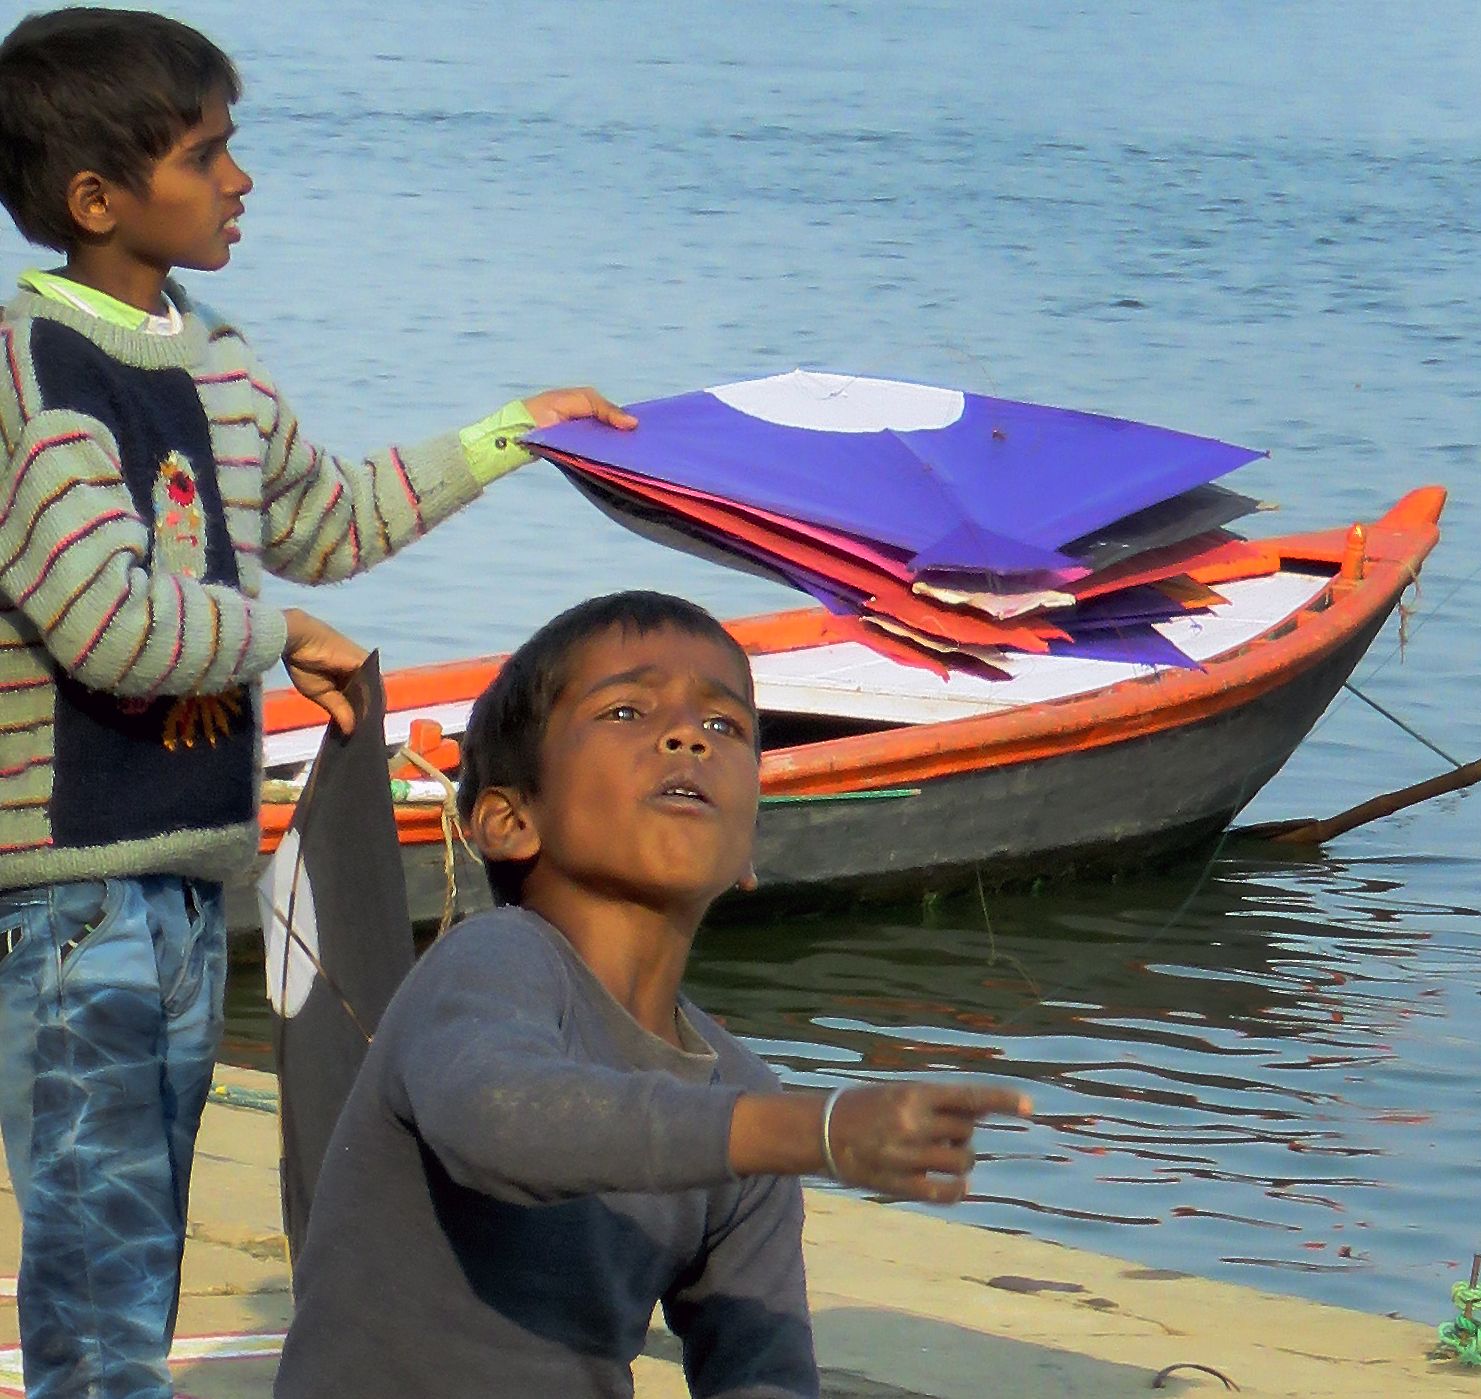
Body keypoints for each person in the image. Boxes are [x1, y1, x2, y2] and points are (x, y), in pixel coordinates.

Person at [0, 9, 635, 1397]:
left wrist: (509, 436)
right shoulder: (34, 377)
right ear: (97, 199)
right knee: (96, 1278)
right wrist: (278, 631)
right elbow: (102, 617)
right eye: (206, 154)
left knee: (136, 1256)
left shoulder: (213, 353)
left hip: (179, 877)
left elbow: (325, 514)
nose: (240, 179)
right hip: (67, 897)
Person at [274, 591, 1032, 1399]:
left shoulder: (743, 1099)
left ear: (747, 851)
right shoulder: (490, 962)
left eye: (724, 726)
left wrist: (782, 1130)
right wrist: (813, 1128)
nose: (685, 737)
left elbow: (760, 1363)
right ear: (508, 819)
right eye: (627, 710)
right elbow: (498, 1118)